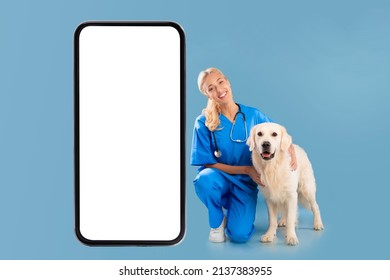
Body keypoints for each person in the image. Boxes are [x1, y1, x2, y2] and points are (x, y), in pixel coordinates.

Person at [191, 67, 297, 243]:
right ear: (207, 94)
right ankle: (217, 221)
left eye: (220, 82)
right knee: (205, 180)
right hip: (219, 178)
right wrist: (247, 169)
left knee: (239, 236)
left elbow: (277, 134)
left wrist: (291, 150)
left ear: (228, 82)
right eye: (210, 88)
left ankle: (232, 216)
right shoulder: (203, 122)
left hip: (246, 184)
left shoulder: (253, 115)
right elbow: (206, 162)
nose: (219, 90)